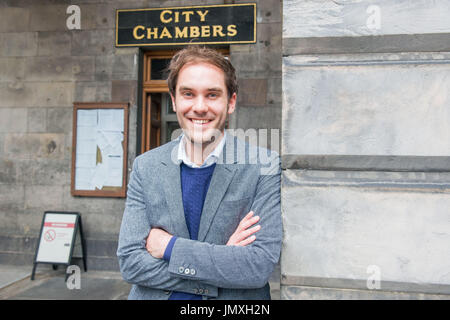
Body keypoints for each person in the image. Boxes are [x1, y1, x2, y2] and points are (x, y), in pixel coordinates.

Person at [117, 46, 282, 300]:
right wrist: (221, 263)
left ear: (231, 102)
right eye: (188, 94)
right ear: (174, 100)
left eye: (213, 94)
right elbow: (130, 263)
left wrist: (169, 246)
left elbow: (257, 266)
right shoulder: (145, 167)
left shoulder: (264, 166)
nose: (200, 107)